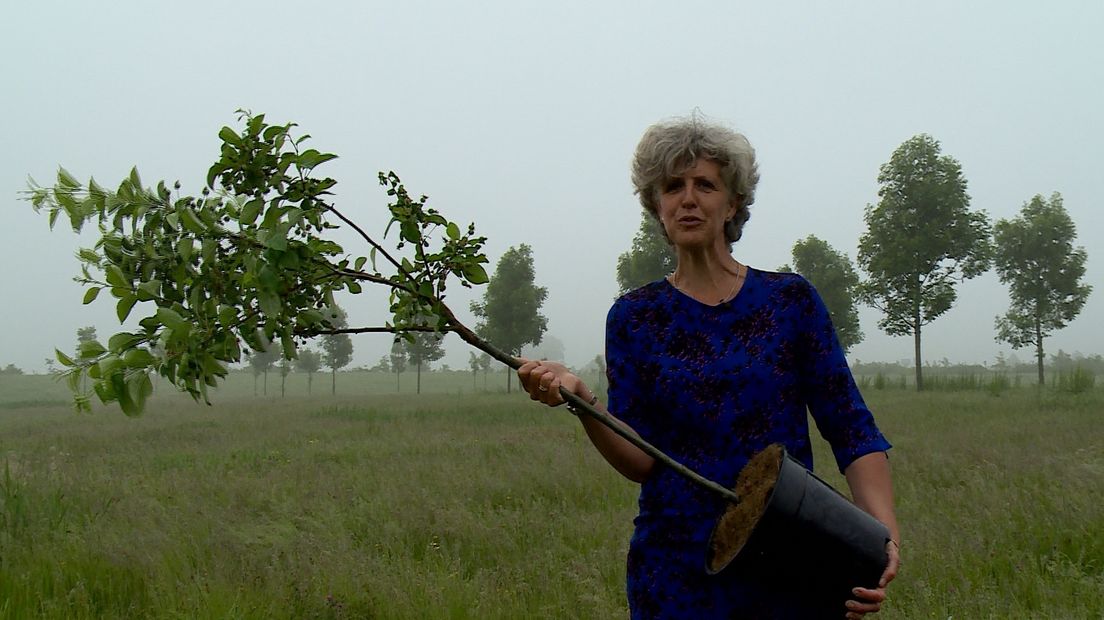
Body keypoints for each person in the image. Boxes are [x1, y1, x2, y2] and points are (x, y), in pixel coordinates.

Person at [518, 116, 900, 619]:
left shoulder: (789, 301)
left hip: (789, 556)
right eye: (673, 186)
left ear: (733, 203)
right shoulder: (634, 318)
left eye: (705, 184)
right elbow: (642, 460)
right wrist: (583, 402)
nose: (688, 198)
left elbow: (850, 427)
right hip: (674, 575)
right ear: (657, 205)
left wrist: (880, 536)